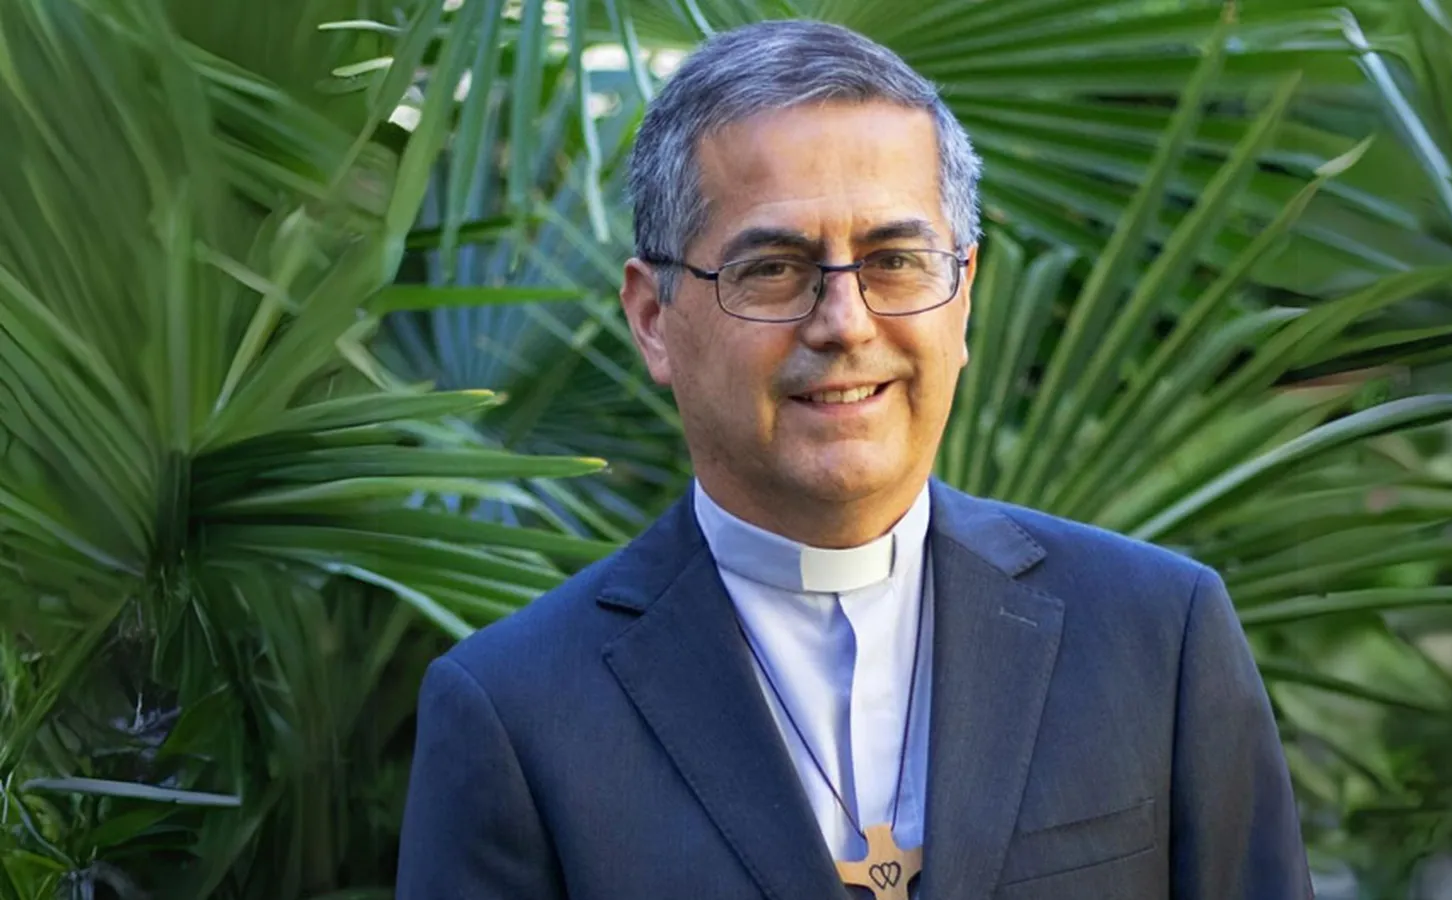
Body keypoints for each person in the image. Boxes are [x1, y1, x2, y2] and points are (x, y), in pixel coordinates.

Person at [397, 19, 1311, 900]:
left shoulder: (1158, 635)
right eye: (773, 269)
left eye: (895, 260)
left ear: (962, 297)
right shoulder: (517, 713)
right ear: (653, 320)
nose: (845, 323)